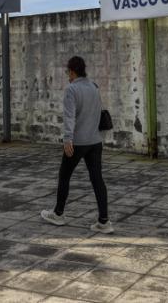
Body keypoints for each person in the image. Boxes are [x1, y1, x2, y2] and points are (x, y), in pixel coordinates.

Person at [40, 56, 113, 234]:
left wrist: (67, 139)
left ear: (72, 71)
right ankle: (104, 221)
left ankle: (58, 214)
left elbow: (69, 117)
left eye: (68, 72)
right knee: (97, 180)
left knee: (64, 176)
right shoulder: (94, 87)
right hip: (95, 141)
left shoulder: (72, 89)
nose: (68, 76)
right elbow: (98, 113)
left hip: (77, 142)